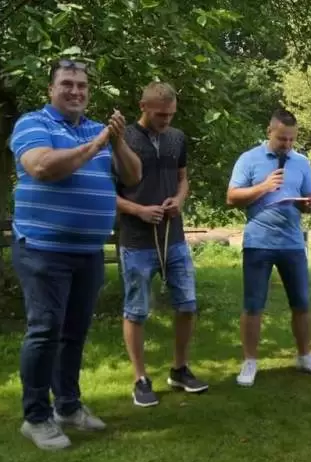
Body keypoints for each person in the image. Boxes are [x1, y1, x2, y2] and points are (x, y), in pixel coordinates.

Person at [9, 58, 142, 450]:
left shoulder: (97, 129)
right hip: (42, 249)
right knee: (45, 330)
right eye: (67, 83)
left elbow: (133, 176)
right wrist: (97, 144)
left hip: (87, 251)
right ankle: (36, 417)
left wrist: (117, 140)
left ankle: (67, 406)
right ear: (50, 89)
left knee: (73, 332)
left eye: (82, 85)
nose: (75, 91)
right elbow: (42, 167)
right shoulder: (34, 124)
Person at [115, 81, 208, 407]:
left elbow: (183, 180)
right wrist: (138, 210)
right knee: (137, 310)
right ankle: (140, 379)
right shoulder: (123, 139)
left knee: (187, 304)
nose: (166, 120)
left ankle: (180, 369)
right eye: (160, 115)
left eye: (170, 114)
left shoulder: (176, 138)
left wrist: (179, 200)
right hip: (136, 242)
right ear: (143, 107)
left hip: (174, 239)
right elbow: (105, 193)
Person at [226, 108, 311, 386]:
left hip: (293, 243)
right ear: (269, 132)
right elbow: (232, 197)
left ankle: (305, 356)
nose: (287, 144)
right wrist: (263, 186)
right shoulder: (249, 159)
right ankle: (250, 362)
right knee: (253, 304)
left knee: (302, 302)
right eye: (282, 139)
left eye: (291, 140)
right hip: (258, 242)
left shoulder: (302, 162)